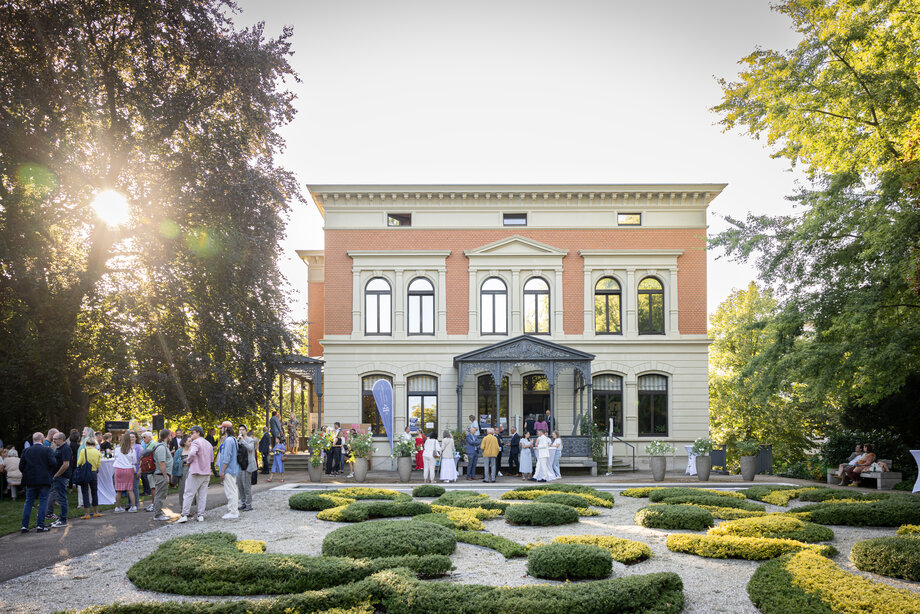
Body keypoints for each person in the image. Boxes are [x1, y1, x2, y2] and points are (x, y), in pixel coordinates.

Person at [19, 433, 57, 533]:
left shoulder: (26, 450)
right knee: (43, 501)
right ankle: (40, 525)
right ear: (42, 440)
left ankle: (24, 526)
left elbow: (21, 466)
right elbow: (53, 463)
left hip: (30, 480)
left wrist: (28, 473)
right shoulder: (48, 450)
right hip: (44, 479)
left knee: (28, 502)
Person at [177, 426, 213, 523]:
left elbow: (192, 453)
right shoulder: (208, 443)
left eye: (192, 433)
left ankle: (184, 514)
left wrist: (188, 461)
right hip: (206, 472)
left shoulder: (195, 442)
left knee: (189, 493)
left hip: (196, 472)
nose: (191, 435)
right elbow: (212, 459)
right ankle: (200, 515)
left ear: (198, 433)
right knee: (202, 495)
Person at [216, 421, 240, 520]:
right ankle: (234, 510)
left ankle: (233, 511)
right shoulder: (233, 439)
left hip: (229, 470)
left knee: (230, 491)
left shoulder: (229, 440)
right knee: (233, 489)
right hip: (232, 469)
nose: (221, 429)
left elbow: (227, 458)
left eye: (222, 428)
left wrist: (222, 471)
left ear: (226, 429)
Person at [49, 431, 72, 527]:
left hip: (61, 477)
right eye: (53, 439)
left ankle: (63, 520)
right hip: (58, 476)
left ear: (62, 439)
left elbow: (66, 464)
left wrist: (56, 475)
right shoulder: (59, 448)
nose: (53, 441)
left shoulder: (66, 448)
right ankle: (61, 518)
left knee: (61, 498)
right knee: (59, 497)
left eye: (55, 439)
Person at [76, 437, 102, 519]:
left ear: (86, 444)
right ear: (94, 444)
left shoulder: (83, 451)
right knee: (94, 492)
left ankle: (87, 513)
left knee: (85, 492)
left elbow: (79, 462)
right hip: (94, 472)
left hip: (85, 473)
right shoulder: (97, 452)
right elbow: (98, 464)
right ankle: (95, 512)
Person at [112, 432, 138, 513]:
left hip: (119, 469)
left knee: (118, 490)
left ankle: (117, 507)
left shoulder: (117, 449)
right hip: (128, 469)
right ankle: (133, 507)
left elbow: (115, 458)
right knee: (130, 489)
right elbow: (135, 461)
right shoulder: (132, 450)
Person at [151, 429, 172, 521]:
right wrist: (165, 475)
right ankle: (157, 514)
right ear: (168, 436)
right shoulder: (161, 448)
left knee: (161, 495)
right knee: (160, 495)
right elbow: (161, 462)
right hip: (161, 474)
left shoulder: (163, 446)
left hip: (162, 474)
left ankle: (158, 513)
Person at [236, 425, 256, 512]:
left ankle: (249, 505)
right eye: (240, 430)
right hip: (240, 465)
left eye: (243, 430)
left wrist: (243, 441)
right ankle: (243, 503)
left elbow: (251, 449)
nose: (241, 431)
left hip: (248, 465)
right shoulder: (238, 440)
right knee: (240, 485)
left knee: (246, 486)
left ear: (246, 431)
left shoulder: (250, 440)